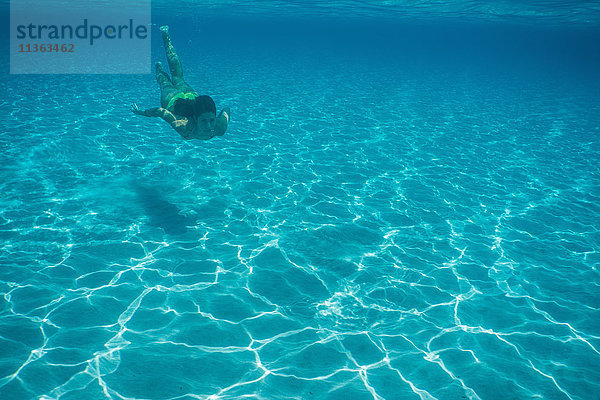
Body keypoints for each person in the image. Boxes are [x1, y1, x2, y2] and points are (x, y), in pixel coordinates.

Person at [131, 25, 229, 140]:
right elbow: (162, 112)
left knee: (169, 81)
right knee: (173, 79)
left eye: (212, 120)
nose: (208, 126)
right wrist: (142, 113)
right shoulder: (184, 127)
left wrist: (142, 113)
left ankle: (159, 70)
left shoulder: (219, 127)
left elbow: (226, 109)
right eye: (203, 120)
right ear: (195, 118)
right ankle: (165, 38)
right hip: (173, 102)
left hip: (191, 97)